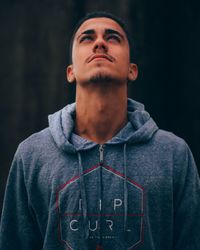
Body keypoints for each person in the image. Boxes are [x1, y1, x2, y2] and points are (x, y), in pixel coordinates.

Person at [0, 11, 199, 250]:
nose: (100, 43)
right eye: (87, 38)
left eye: (113, 37)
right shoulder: (31, 155)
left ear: (132, 70)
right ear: (70, 72)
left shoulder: (173, 155)